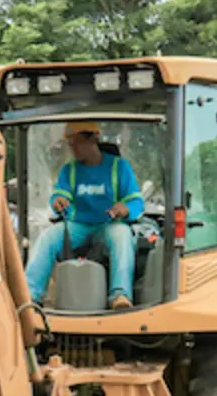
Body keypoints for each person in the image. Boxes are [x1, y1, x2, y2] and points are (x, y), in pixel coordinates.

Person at [25, 121, 143, 309]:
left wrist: (125, 208)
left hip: (109, 225)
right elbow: (60, 194)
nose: (74, 150)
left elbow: (136, 202)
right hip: (77, 225)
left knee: (122, 235)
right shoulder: (69, 170)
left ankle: (120, 295)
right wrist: (58, 201)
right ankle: (30, 295)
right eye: (70, 145)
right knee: (48, 237)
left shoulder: (119, 167)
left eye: (78, 143)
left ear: (94, 139)